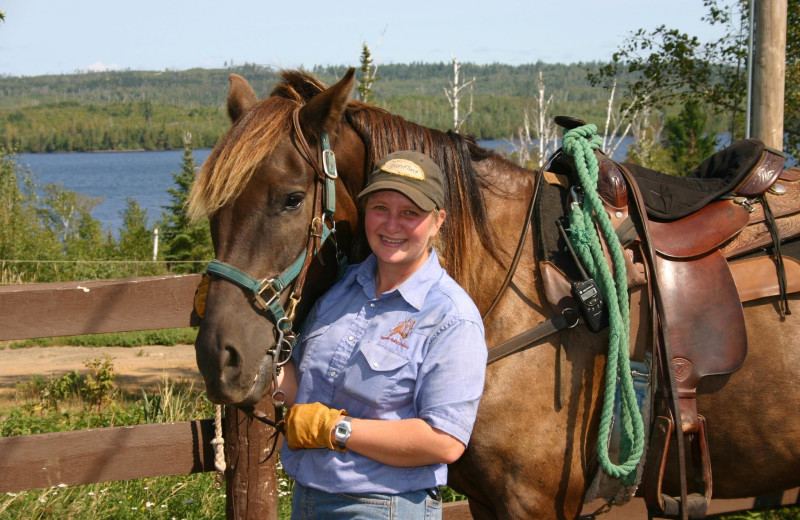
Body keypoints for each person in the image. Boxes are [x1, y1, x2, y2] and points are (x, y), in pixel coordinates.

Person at [276, 150, 488, 519]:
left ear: (437, 222)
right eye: (380, 208)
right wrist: (248, 345)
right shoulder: (339, 289)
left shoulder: (451, 318)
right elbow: (303, 387)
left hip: (383, 507)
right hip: (308, 501)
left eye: (410, 213)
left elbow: (445, 441)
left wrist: (335, 429)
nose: (392, 225)